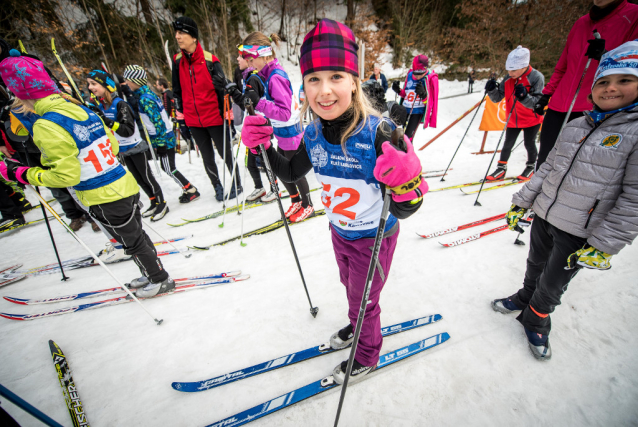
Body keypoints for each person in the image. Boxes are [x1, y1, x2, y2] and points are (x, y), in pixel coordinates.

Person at [241, 19, 427, 383]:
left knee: (364, 301)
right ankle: (356, 322)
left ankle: (367, 354)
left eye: (336, 77)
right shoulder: (313, 132)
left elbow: (408, 207)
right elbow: (293, 172)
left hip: (374, 237)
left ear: (354, 82)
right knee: (351, 288)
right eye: (314, 79)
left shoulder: (378, 134)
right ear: (304, 86)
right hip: (340, 231)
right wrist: (263, 145)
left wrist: (407, 179)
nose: (324, 90)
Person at [492, 40, 638, 361]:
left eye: (624, 81)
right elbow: (547, 170)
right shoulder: (575, 125)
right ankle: (524, 296)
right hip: (545, 215)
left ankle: (538, 316)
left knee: (555, 280)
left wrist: (605, 243)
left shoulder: (634, 133)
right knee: (534, 265)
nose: (611, 88)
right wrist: (522, 201)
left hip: (581, 229)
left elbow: (633, 199)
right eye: (603, 82)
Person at [0, 52, 174, 297]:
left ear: (20, 94)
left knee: (132, 241)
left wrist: (23, 173)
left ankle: (159, 279)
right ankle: (152, 273)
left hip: (105, 196)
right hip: (123, 185)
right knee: (135, 237)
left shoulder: (46, 124)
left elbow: (65, 177)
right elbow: (112, 147)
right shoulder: (78, 108)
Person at [534, 0, 638, 167]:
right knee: (545, 163)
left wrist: (605, 55)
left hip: (595, 108)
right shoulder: (581, 22)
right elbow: (563, 66)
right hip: (559, 106)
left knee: (576, 168)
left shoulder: (633, 16)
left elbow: (632, 65)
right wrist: (546, 94)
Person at [239, 32, 314, 222]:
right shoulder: (265, 74)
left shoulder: (275, 77)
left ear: (264, 55)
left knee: (295, 173)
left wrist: (259, 103)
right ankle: (296, 200)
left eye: (251, 59)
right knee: (280, 170)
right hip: (282, 133)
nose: (249, 63)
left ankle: (308, 205)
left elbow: (284, 112)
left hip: (291, 133)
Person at [171, 16, 242, 202]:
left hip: (214, 117)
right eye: (176, 33)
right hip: (194, 120)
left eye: (181, 33)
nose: (177, 37)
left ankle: (237, 183)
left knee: (225, 153)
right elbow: (177, 91)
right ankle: (217, 185)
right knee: (207, 157)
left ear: (193, 37)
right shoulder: (177, 61)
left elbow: (224, 91)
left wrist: (228, 118)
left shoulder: (210, 61)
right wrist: (181, 117)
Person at [87, 69, 168, 221]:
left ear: (107, 86)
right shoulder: (102, 105)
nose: (90, 87)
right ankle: (153, 202)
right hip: (123, 149)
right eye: (89, 84)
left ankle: (162, 204)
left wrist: (108, 121)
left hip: (135, 146)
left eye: (94, 84)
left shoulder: (120, 104)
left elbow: (128, 131)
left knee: (147, 177)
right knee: (138, 178)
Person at [122, 65, 200, 204]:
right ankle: (189, 188)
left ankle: (190, 190)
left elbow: (158, 123)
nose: (127, 83)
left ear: (136, 80)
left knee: (168, 168)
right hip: (164, 136)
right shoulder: (147, 95)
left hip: (163, 138)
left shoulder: (145, 99)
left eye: (128, 80)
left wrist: (161, 144)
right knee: (168, 167)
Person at [215, 48, 275, 203]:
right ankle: (259, 187)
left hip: (259, 126)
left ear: (248, 61)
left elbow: (249, 103)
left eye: (240, 57)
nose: (237, 59)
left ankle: (274, 188)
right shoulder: (247, 77)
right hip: (251, 126)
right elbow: (245, 104)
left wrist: (234, 91)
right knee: (249, 161)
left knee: (264, 158)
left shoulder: (253, 79)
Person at [485, 46, 545, 181]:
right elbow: (497, 98)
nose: (510, 73)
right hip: (513, 118)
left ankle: (531, 167)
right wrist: (491, 89)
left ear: (524, 66)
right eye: (508, 69)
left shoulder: (536, 77)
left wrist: (524, 97)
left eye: (513, 70)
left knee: (529, 143)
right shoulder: (508, 78)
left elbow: (537, 103)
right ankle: (501, 169)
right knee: (507, 144)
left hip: (531, 119)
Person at [391, 54, 439, 140]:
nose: (417, 77)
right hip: (405, 108)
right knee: (396, 135)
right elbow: (406, 95)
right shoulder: (409, 75)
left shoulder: (430, 78)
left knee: (407, 138)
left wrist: (423, 95)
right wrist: (398, 90)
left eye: (420, 74)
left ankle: (407, 153)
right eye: (416, 74)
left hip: (417, 111)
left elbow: (429, 104)